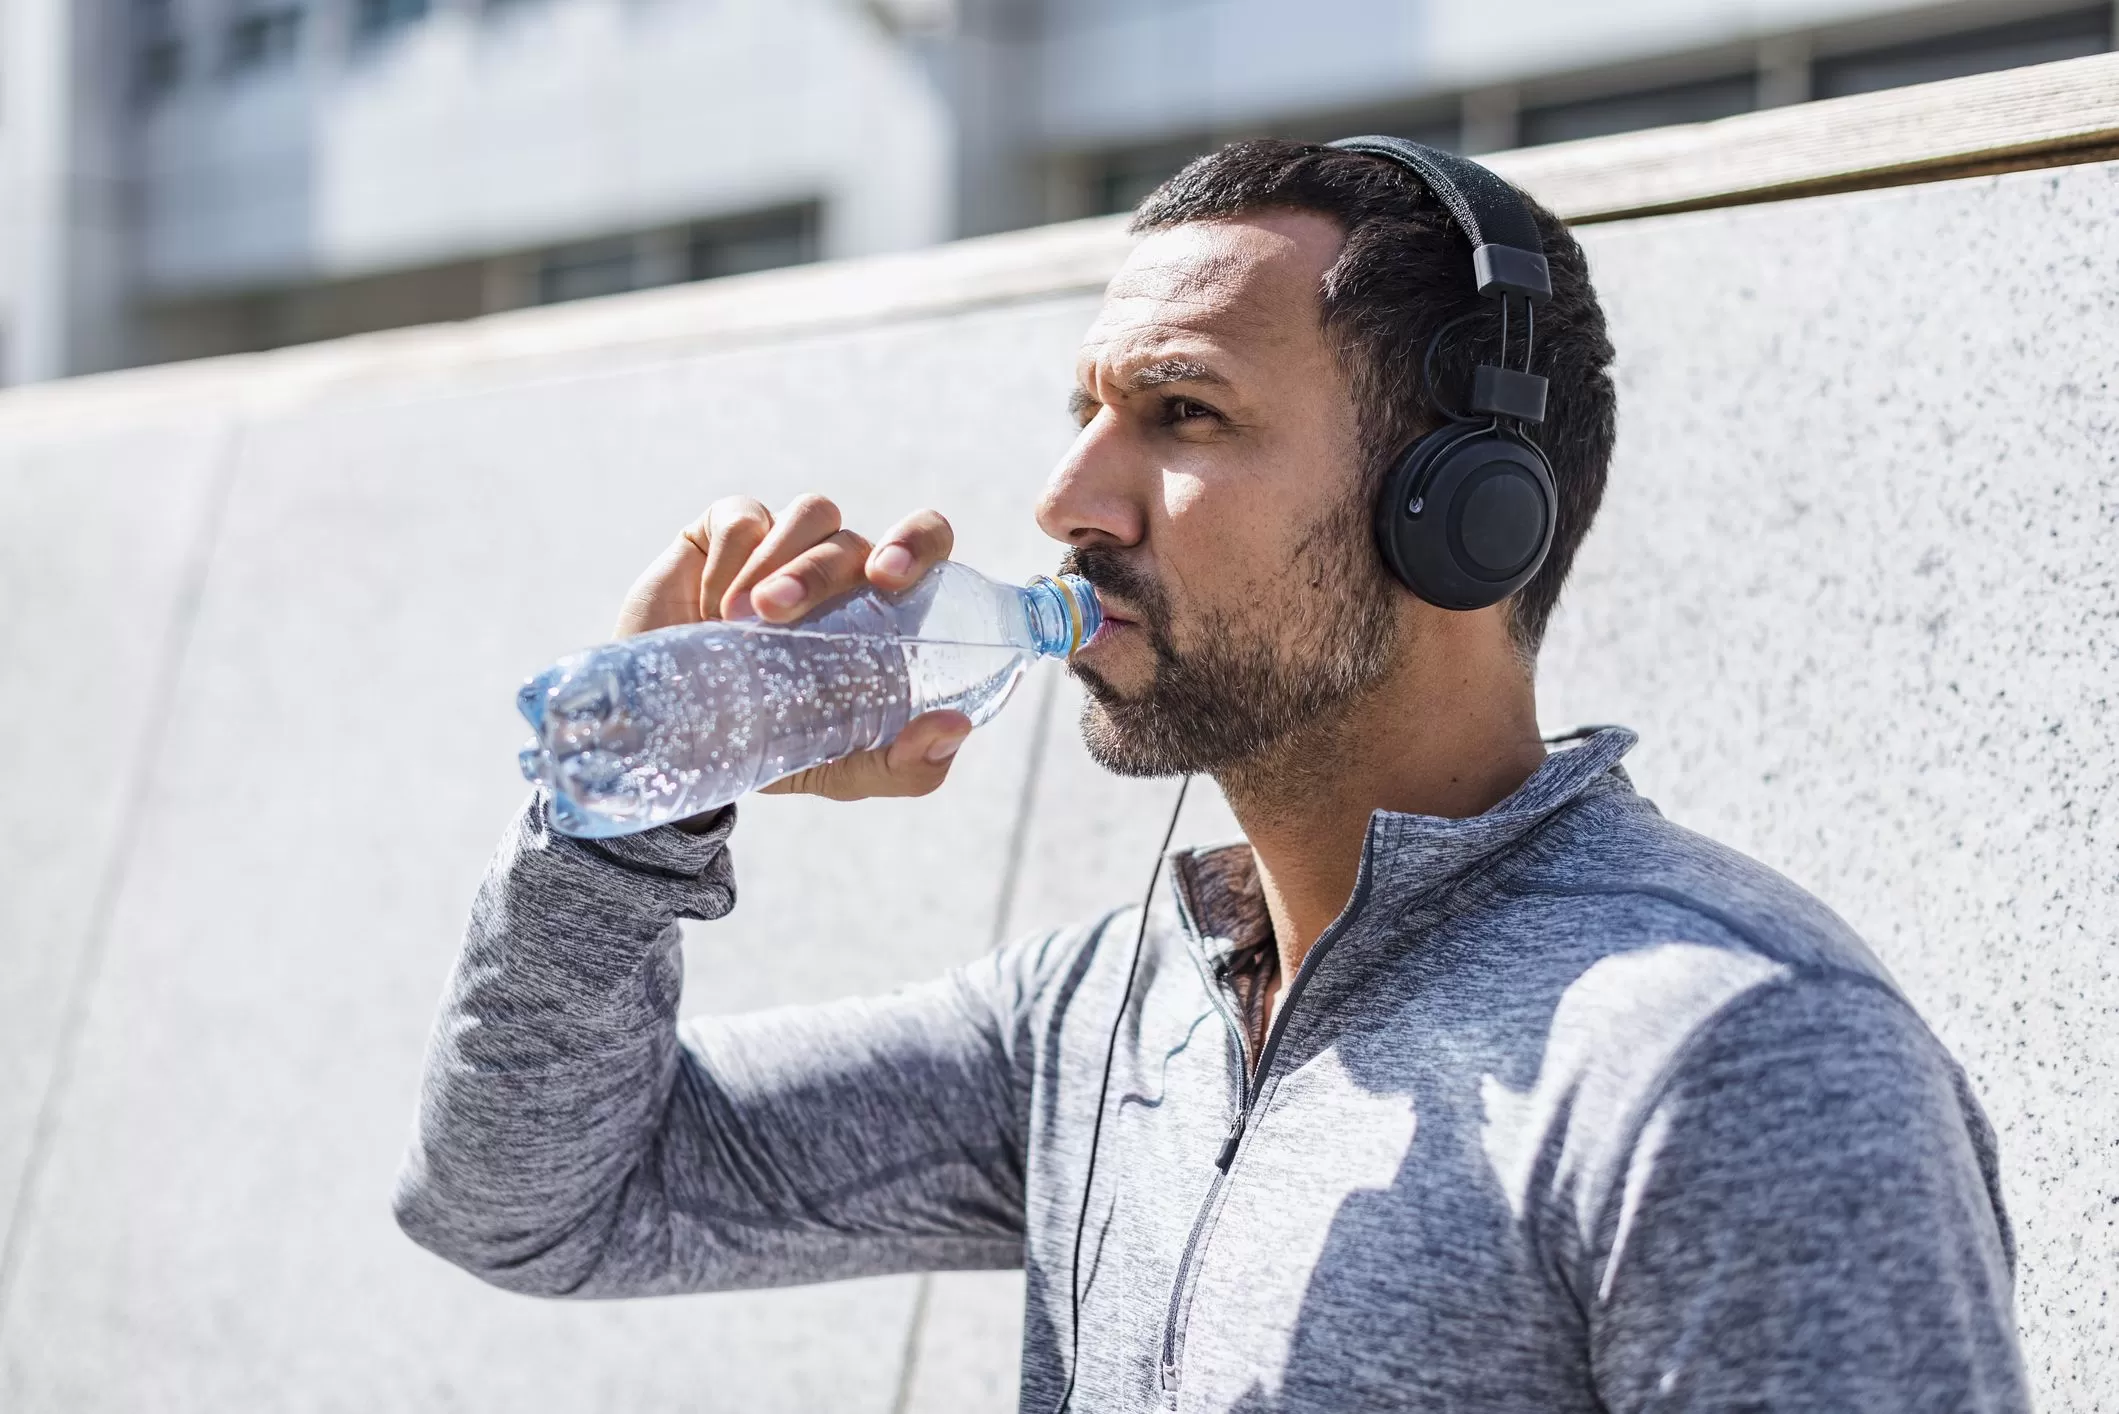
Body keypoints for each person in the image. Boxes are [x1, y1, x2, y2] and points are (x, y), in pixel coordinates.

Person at [394, 139, 2028, 1412]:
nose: (1069, 497)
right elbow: (532, 1204)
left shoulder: (1729, 1059)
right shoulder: (1103, 1019)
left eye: (1178, 411)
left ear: (1458, 510)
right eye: (1085, 412)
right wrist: (635, 798)